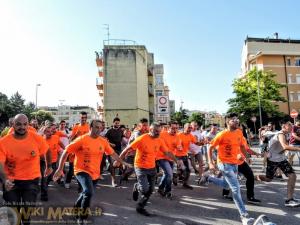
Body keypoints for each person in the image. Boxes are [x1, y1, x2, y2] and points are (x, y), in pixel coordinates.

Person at [53, 120, 131, 224]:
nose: (99, 129)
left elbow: (112, 154)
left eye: (100, 127)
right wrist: (60, 169)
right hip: (81, 170)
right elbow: (66, 151)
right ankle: (82, 217)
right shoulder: (81, 139)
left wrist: (122, 162)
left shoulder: (102, 141)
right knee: (89, 192)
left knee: (86, 192)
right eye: (96, 127)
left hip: (95, 172)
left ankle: (76, 206)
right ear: (90, 128)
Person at [199, 113, 255, 225]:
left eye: (237, 119)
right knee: (235, 188)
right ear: (227, 122)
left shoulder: (239, 132)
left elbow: (242, 146)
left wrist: (246, 157)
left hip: (235, 163)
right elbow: (210, 147)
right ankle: (244, 216)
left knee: (226, 185)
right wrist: (210, 162)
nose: (236, 121)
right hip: (224, 164)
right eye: (233, 119)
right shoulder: (222, 134)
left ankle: (208, 178)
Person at [0, 114, 52, 225]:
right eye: (18, 124)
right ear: (13, 125)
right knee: (14, 211)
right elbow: (0, 163)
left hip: (31, 180)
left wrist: (49, 166)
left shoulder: (36, 138)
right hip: (11, 181)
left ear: (28, 125)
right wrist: (5, 180)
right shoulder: (4, 142)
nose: (22, 127)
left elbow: (47, 150)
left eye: (25, 124)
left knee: (27, 212)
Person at [118, 122, 176, 216]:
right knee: (144, 189)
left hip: (152, 168)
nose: (158, 133)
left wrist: (177, 161)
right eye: (156, 131)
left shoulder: (159, 140)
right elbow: (127, 148)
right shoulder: (142, 138)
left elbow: (167, 152)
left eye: (159, 131)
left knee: (151, 190)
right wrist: (119, 160)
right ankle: (137, 186)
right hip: (140, 167)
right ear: (150, 130)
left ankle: (140, 207)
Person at [257, 119, 300, 207]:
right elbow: (285, 146)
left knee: (292, 175)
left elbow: (283, 147)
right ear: (284, 126)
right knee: (268, 179)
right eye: (289, 124)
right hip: (273, 160)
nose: (291, 125)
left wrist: (281, 152)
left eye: (291, 124)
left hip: (281, 159)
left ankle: (289, 199)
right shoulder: (280, 134)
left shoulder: (287, 133)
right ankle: (255, 177)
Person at [40, 122, 65, 201]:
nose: (50, 133)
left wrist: (65, 150)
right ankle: (44, 194)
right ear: (44, 132)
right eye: (47, 131)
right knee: (44, 179)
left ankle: (45, 186)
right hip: (44, 163)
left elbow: (61, 144)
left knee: (50, 178)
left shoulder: (56, 137)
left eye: (51, 131)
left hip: (54, 162)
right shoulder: (41, 140)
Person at [157, 121, 181, 199]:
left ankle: (160, 188)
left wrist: (179, 147)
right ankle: (168, 191)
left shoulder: (177, 136)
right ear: (168, 128)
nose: (175, 130)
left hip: (171, 158)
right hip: (161, 157)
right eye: (173, 128)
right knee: (170, 174)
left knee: (167, 174)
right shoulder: (162, 134)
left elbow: (178, 146)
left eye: (176, 128)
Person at [176, 123, 202, 189]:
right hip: (177, 155)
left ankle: (185, 183)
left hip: (184, 155)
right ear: (184, 128)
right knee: (181, 169)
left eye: (190, 128)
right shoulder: (179, 135)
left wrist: (202, 143)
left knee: (188, 170)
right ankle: (175, 176)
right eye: (189, 128)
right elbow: (175, 144)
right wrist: (178, 146)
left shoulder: (190, 135)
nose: (190, 129)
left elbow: (196, 142)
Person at [105, 117, 124, 187]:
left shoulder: (120, 131)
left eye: (118, 123)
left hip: (119, 150)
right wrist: (110, 144)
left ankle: (122, 176)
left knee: (120, 164)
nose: (117, 124)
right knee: (112, 165)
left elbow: (122, 138)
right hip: (111, 150)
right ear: (113, 123)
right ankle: (113, 181)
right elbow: (105, 139)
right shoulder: (109, 131)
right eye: (116, 123)